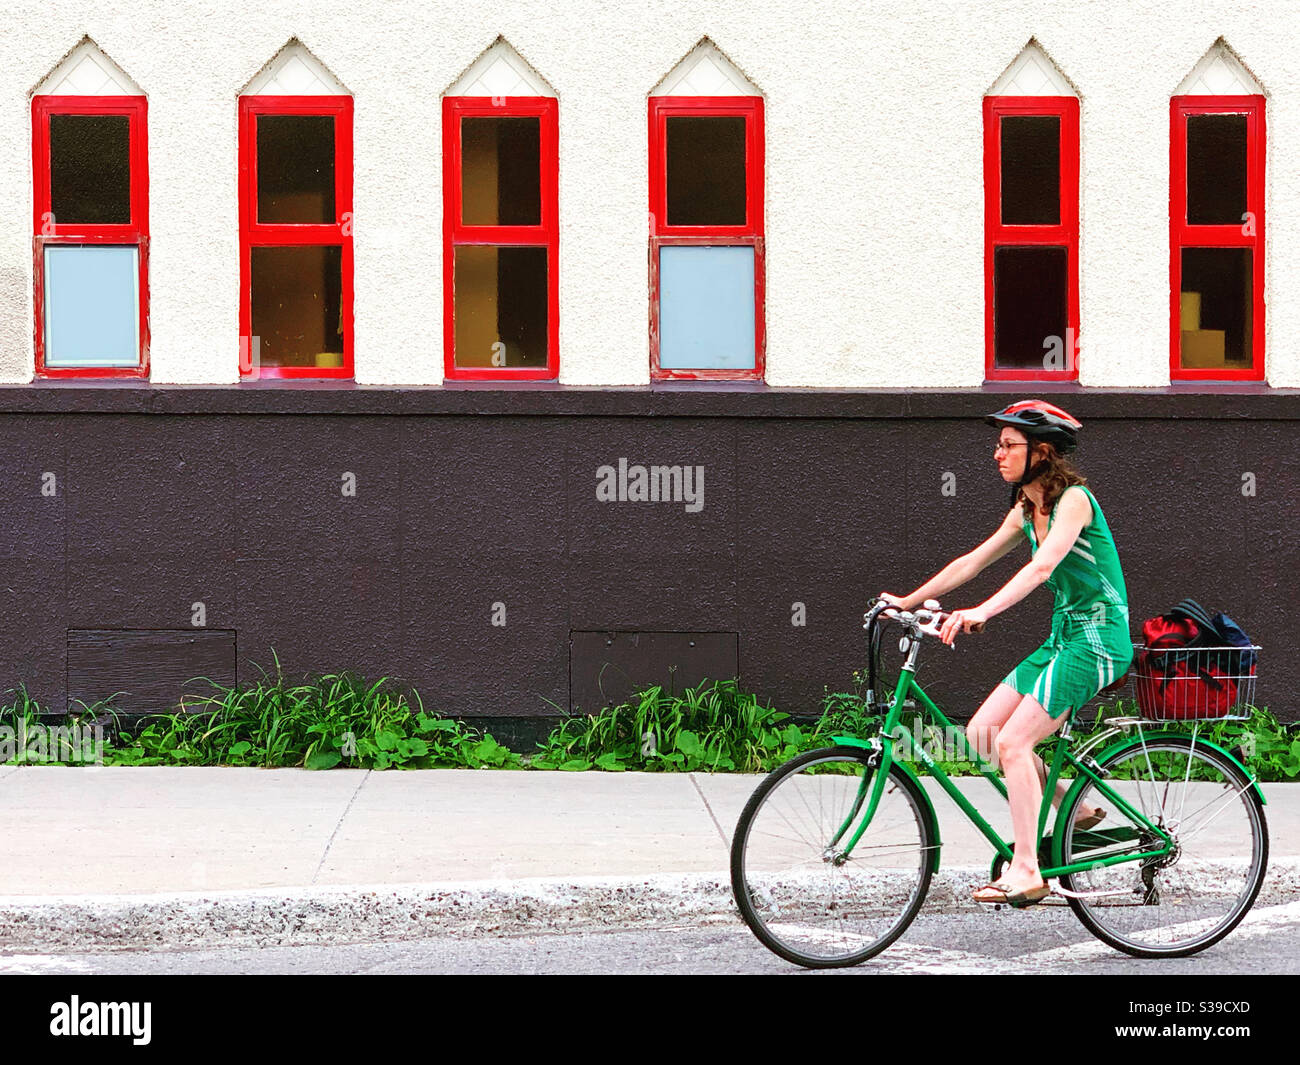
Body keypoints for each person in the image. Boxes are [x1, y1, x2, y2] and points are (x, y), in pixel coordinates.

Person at [879, 399, 1133, 907]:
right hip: (1066, 634)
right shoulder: (1027, 506)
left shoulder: (1075, 501)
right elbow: (974, 560)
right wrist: (904, 601)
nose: (997, 454)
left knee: (1015, 745)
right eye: (998, 444)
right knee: (981, 737)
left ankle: (1027, 869)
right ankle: (1073, 807)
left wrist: (982, 612)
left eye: (1007, 445)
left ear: (1042, 451)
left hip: (1100, 638)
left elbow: (1041, 569)